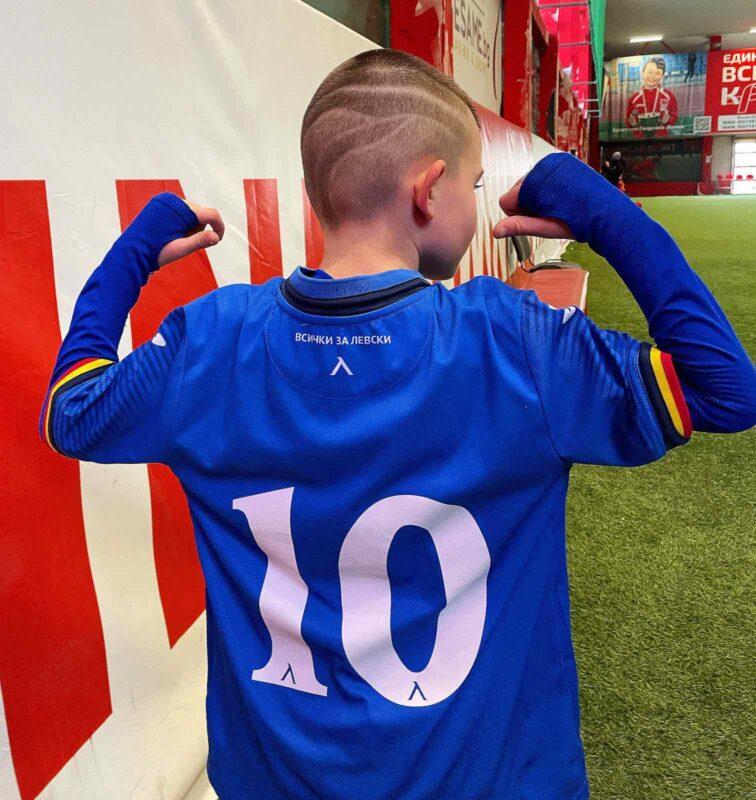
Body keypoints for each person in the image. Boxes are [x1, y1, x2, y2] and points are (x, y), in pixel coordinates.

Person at [38, 48, 755, 800]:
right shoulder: (515, 345)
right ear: (429, 190)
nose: (476, 203)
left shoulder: (209, 343)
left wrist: (134, 255)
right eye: (473, 186)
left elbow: (71, 412)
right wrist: (603, 211)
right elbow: (725, 390)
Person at [626, 56, 679, 136]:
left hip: (661, 139)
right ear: (643, 73)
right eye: (650, 72)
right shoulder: (634, 99)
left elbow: (674, 117)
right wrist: (632, 124)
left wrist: (668, 120)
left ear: (662, 76)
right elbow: (628, 121)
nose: (653, 76)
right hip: (639, 140)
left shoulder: (668, 96)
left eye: (658, 73)